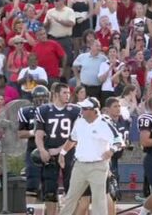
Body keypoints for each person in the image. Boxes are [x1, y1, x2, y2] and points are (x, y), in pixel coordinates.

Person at [58, 97, 121, 215]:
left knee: (99, 200)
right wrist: (62, 153)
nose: (81, 111)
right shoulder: (79, 122)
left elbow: (118, 140)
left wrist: (111, 151)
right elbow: (72, 139)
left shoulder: (104, 123)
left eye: (85, 108)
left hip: (98, 165)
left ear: (94, 110)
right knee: (71, 197)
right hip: (80, 165)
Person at [36, 82, 82, 215]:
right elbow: (39, 135)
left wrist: (60, 150)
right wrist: (42, 150)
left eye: (69, 93)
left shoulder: (75, 110)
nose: (68, 95)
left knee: (72, 189)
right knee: (50, 190)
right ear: (56, 94)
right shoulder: (44, 110)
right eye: (64, 93)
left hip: (69, 152)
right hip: (49, 152)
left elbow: (77, 136)